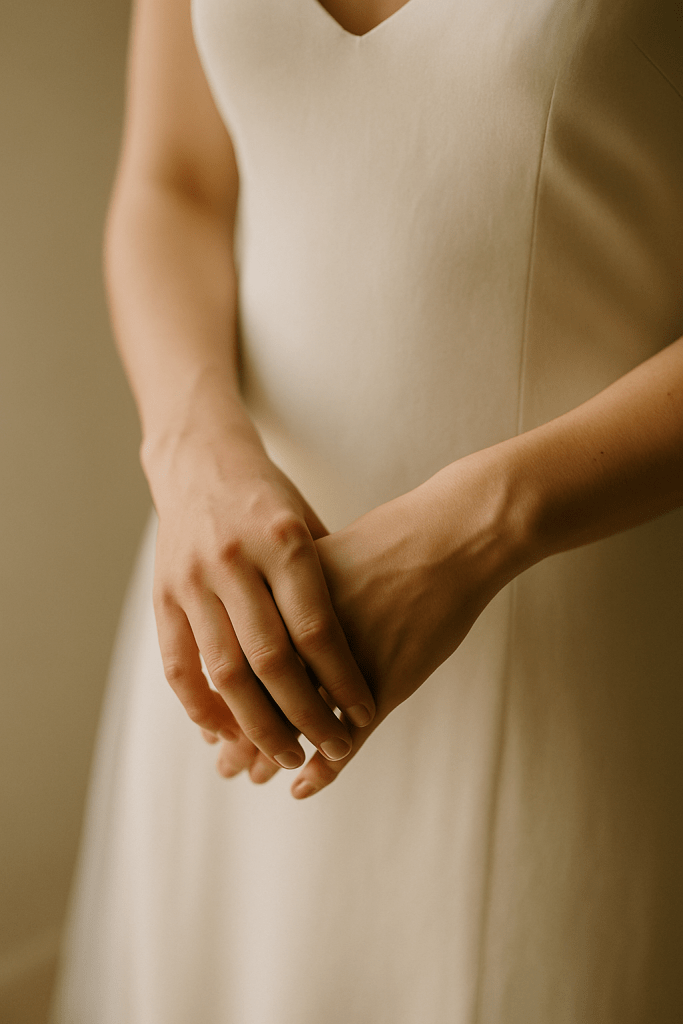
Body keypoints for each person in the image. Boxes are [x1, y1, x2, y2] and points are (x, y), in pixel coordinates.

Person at [51, 0, 683, 1020]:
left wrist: (481, 522)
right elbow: (175, 181)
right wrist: (193, 454)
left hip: (581, 652)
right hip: (233, 606)